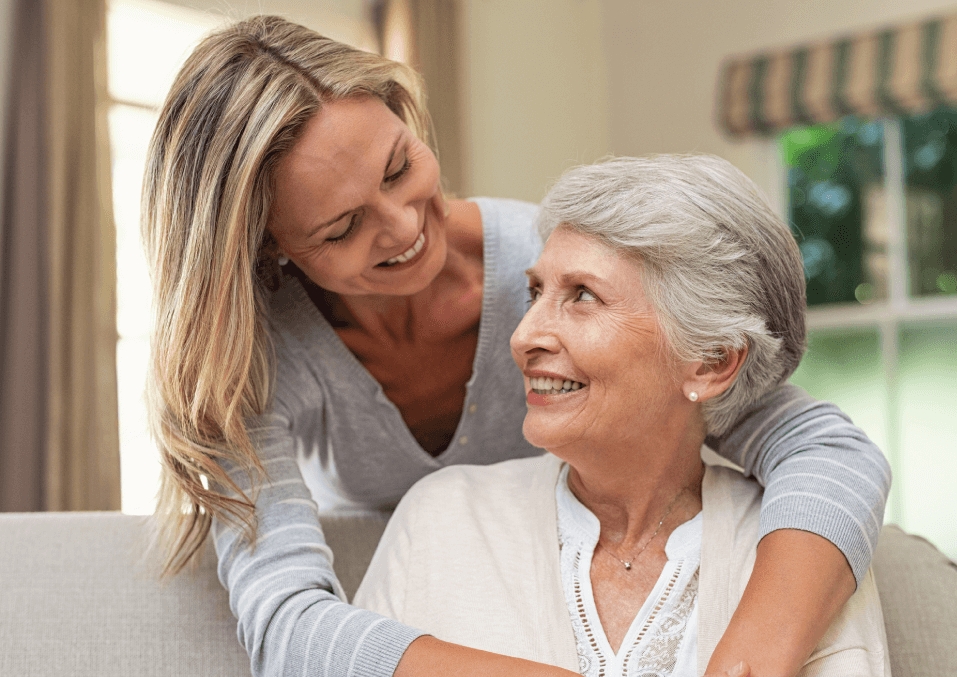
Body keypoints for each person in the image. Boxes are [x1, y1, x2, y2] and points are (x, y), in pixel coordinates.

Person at [141, 15, 890, 677]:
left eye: (399, 168)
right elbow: (286, 628)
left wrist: (748, 654)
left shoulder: (549, 267)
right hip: (409, 612)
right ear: (271, 249)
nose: (403, 228)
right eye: (341, 227)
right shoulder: (251, 358)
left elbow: (819, 445)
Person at [354, 155, 891, 676]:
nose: (522, 337)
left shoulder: (803, 549)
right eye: (535, 292)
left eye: (583, 295)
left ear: (711, 361)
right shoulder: (441, 518)